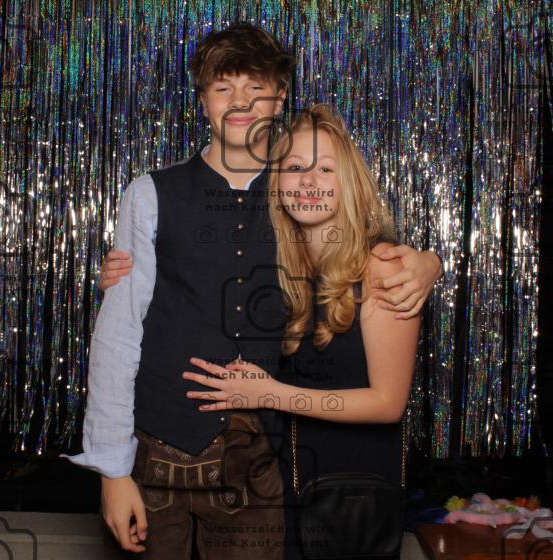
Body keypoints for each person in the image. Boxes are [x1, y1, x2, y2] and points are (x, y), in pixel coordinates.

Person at [64, 23, 442, 560]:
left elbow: (360, 251)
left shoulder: (298, 192)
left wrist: (428, 263)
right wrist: (111, 469)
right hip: (155, 459)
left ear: (280, 96)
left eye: (255, 86)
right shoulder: (149, 195)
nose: (240, 101)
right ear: (201, 100)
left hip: (262, 467)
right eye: (223, 87)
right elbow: (119, 335)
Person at [180, 103, 420, 560]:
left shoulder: (382, 267)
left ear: (348, 182)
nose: (309, 181)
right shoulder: (276, 268)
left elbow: (388, 404)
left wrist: (270, 394)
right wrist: (125, 273)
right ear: (277, 184)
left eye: (325, 168)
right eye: (295, 168)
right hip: (283, 491)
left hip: (351, 500)